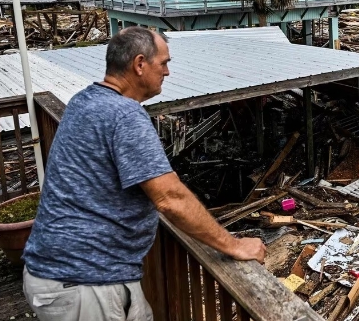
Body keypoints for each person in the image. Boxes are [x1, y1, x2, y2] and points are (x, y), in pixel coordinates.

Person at [23, 27, 266, 320]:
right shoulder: (125, 115)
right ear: (140, 64)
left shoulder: (84, 101)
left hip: (65, 272)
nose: (167, 72)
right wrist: (234, 245)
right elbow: (170, 198)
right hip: (85, 280)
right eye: (163, 63)